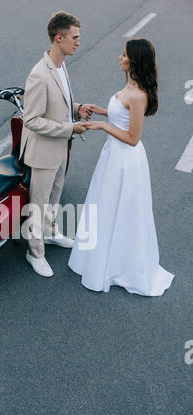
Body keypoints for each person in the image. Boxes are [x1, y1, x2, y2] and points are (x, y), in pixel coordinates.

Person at [68, 38, 175, 296]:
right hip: (112, 156)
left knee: (122, 212)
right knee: (104, 206)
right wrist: (104, 112)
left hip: (127, 161)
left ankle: (117, 265)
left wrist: (103, 126)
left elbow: (133, 137)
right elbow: (122, 113)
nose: (120, 57)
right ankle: (97, 258)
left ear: (134, 60)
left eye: (124, 54)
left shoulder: (139, 95)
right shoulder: (130, 85)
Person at [20, 11, 93, 277]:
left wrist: (78, 108)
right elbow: (32, 120)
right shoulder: (39, 74)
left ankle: (50, 233)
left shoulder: (61, 66)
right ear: (58, 37)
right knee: (38, 206)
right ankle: (34, 252)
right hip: (43, 152)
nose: (78, 42)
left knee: (54, 197)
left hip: (61, 146)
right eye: (74, 37)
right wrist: (69, 128)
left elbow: (59, 103)